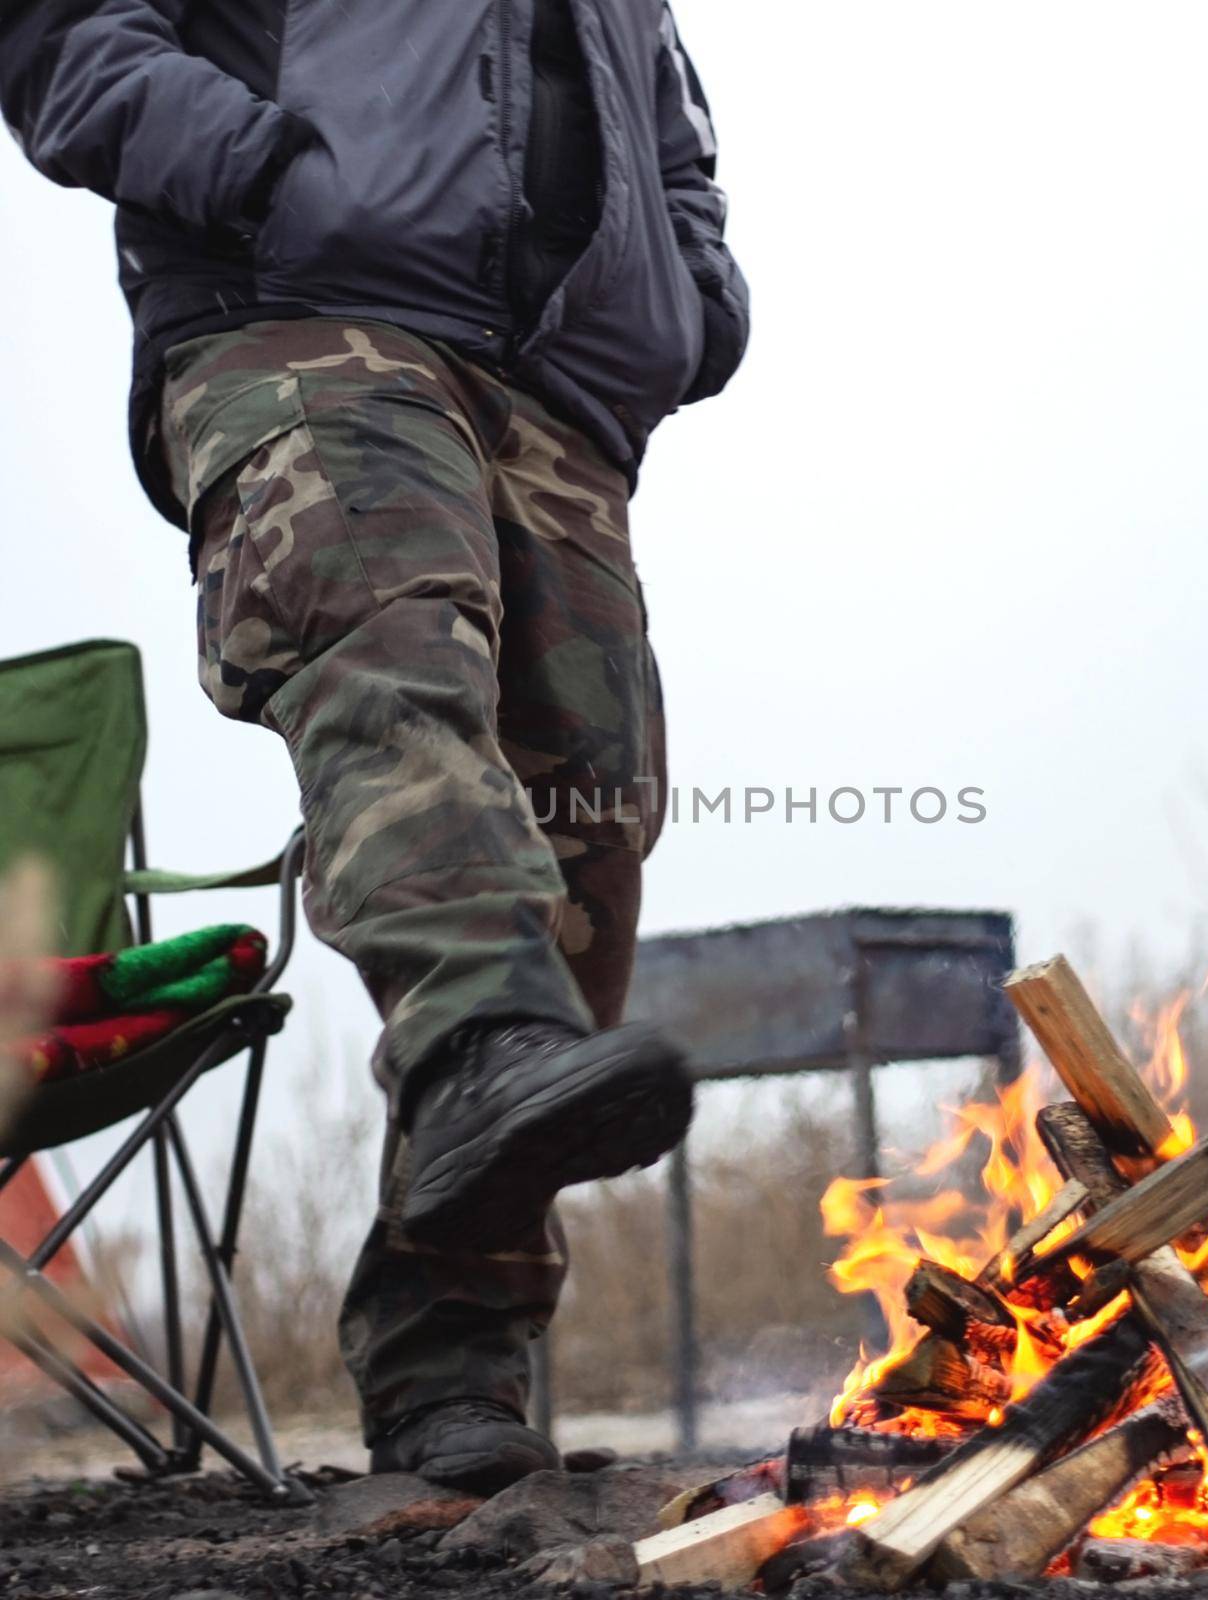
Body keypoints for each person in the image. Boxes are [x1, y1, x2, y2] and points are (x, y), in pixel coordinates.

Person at [2, 0, 749, 1491]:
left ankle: (451, 1354)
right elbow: (66, 29)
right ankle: (478, 1033)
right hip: (303, 317)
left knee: (586, 831)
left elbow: (671, 141)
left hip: (567, 394)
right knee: (384, 643)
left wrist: (693, 296)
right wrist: (266, 172)